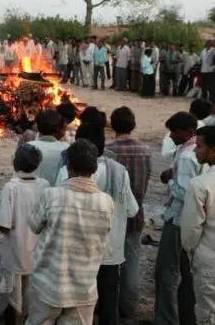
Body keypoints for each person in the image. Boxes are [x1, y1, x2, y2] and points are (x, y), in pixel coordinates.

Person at [54, 123, 138, 325]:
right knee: (108, 300)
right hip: (109, 251)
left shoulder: (68, 172)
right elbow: (132, 209)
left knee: (75, 304)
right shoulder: (119, 171)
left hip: (77, 251)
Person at [26, 139, 114, 324]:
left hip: (49, 283)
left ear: (69, 167)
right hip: (84, 286)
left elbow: (33, 225)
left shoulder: (52, 195)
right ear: (94, 169)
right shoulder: (106, 202)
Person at [154, 111, 206, 325]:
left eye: (174, 132)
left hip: (178, 219)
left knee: (166, 272)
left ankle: (165, 319)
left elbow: (185, 192)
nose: (171, 136)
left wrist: (170, 180)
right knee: (188, 274)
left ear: (188, 131)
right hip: (195, 220)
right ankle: (187, 318)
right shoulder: (199, 150)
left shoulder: (186, 156)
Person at [104, 107, 152, 318]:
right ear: (132, 125)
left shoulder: (108, 151)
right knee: (132, 259)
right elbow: (146, 180)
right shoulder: (145, 150)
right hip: (135, 212)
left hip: (112, 215)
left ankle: (107, 305)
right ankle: (129, 306)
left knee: (109, 262)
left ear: (112, 125)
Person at [0, 144, 49, 324]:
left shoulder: (11, 187)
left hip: (15, 253)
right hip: (38, 254)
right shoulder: (45, 186)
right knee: (31, 296)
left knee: (11, 296)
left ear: (15, 164)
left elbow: (3, 225)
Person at [181, 125, 215, 324]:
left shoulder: (200, 184)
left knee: (207, 316)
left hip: (209, 261)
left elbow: (191, 231)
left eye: (199, 146)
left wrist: (192, 253)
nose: (195, 150)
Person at [25, 109, 69, 186]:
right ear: (58, 128)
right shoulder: (66, 149)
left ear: (37, 126)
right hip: (56, 195)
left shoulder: (27, 147)